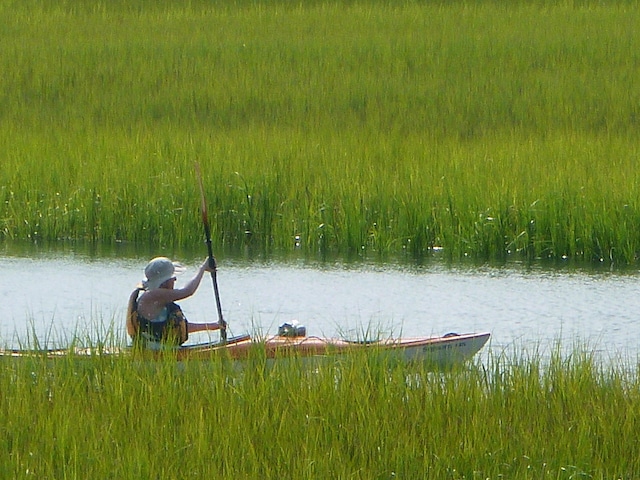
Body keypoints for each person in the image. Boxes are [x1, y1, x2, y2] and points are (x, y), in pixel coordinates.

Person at [126, 257, 224, 347]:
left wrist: (213, 326)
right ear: (165, 281)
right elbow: (187, 291)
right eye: (173, 278)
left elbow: (178, 327)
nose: (175, 280)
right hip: (153, 352)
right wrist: (202, 268)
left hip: (162, 349)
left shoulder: (159, 300)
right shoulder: (152, 295)